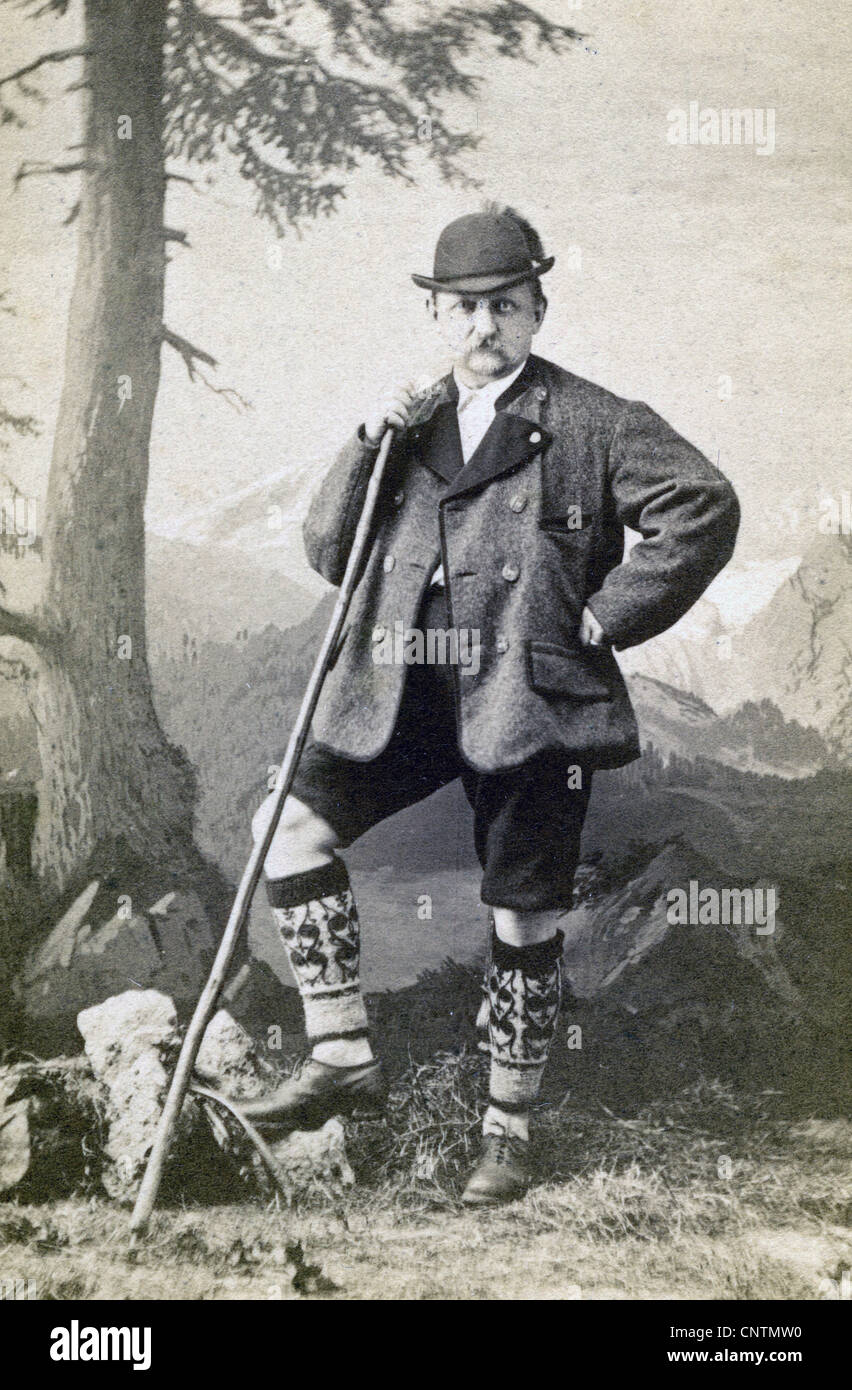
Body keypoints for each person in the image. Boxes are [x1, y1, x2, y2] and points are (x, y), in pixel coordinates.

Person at [239, 205, 740, 1205]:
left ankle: (509, 1130)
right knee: (284, 829)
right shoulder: (407, 425)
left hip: (528, 700)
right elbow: (331, 553)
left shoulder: (594, 421)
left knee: (523, 911)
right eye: (463, 308)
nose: (483, 327)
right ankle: (341, 1053)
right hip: (401, 691)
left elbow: (705, 502)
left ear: (537, 310)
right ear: (436, 316)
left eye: (503, 306)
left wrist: (608, 615)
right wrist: (366, 437)